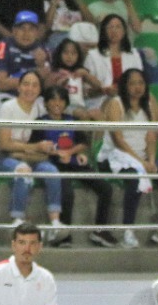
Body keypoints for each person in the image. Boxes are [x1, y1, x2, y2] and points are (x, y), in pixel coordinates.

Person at [97, 68, 158, 248]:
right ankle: (127, 231)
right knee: (135, 177)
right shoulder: (116, 104)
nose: (137, 87)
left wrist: (151, 161)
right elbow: (118, 139)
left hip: (143, 158)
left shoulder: (149, 104)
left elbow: (152, 136)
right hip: (115, 157)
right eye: (132, 83)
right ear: (124, 86)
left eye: (141, 83)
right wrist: (141, 163)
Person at [37, 85, 115, 247]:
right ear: (46, 103)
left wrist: (71, 152)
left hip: (73, 162)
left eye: (61, 100)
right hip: (53, 165)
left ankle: (100, 229)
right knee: (67, 193)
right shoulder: (40, 122)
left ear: (66, 103)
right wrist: (55, 154)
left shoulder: (72, 120)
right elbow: (36, 147)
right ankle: (64, 235)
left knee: (105, 188)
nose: (57, 103)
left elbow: (83, 143)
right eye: (53, 100)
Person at [0, 71, 65, 234]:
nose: (29, 89)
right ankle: (18, 219)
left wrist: (43, 149)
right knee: (23, 170)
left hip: (31, 156)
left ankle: (55, 222)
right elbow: (4, 144)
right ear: (18, 87)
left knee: (52, 172)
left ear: (40, 90)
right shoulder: (7, 108)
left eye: (34, 85)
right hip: (3, 156)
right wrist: (33, 148)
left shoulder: (40, 109)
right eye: (26, 84)